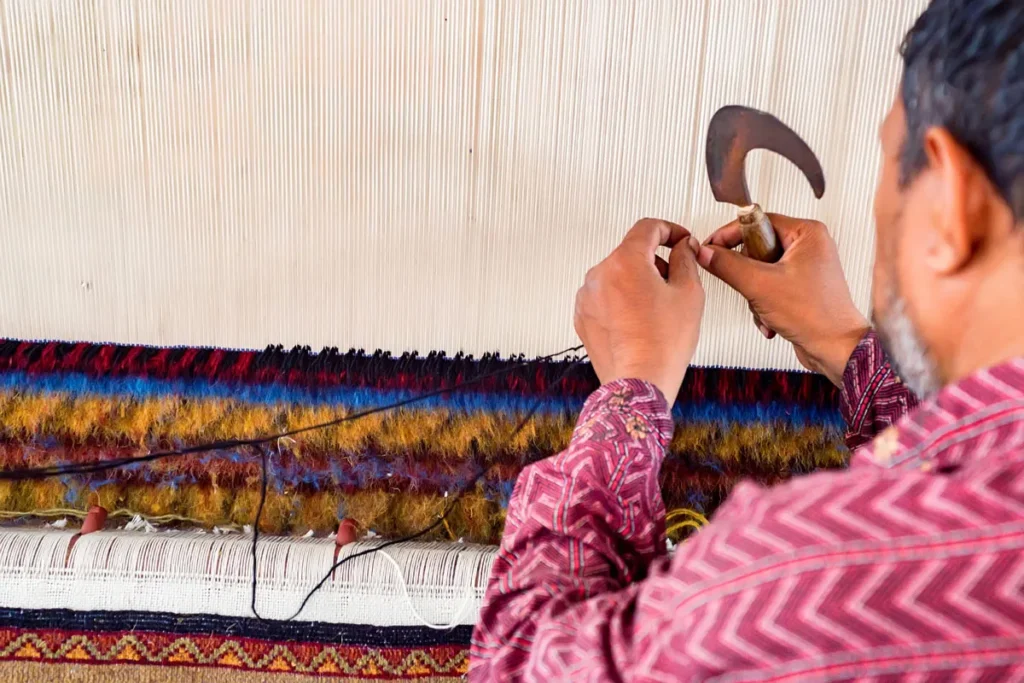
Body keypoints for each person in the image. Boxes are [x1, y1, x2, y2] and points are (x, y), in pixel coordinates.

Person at [469, 0, 1024, 679]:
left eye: (887, 156)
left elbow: (517, 659)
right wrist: (848, 345)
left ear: (952, 203)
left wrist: (630, 391)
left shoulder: (807, 581)